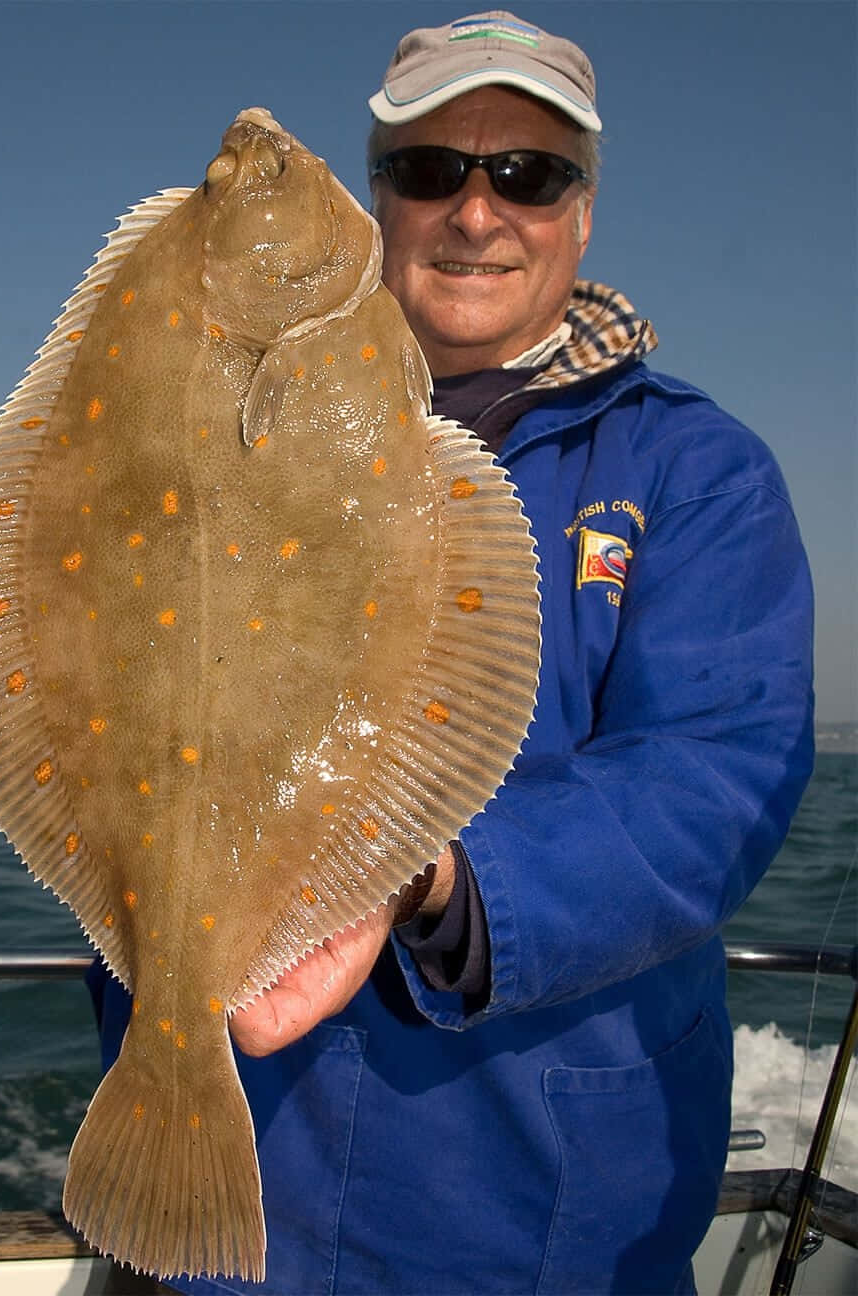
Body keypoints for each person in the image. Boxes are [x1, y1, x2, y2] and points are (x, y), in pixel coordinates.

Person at [88, 11, 814, 1293]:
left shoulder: (697, 472)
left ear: (580, 213)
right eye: (432, 171)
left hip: (535, 1205)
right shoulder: (228, 412)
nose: (477, 212)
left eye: (526, 175)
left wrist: (424, 878)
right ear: (379, 202)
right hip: (239, 1144)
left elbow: (717, 777)